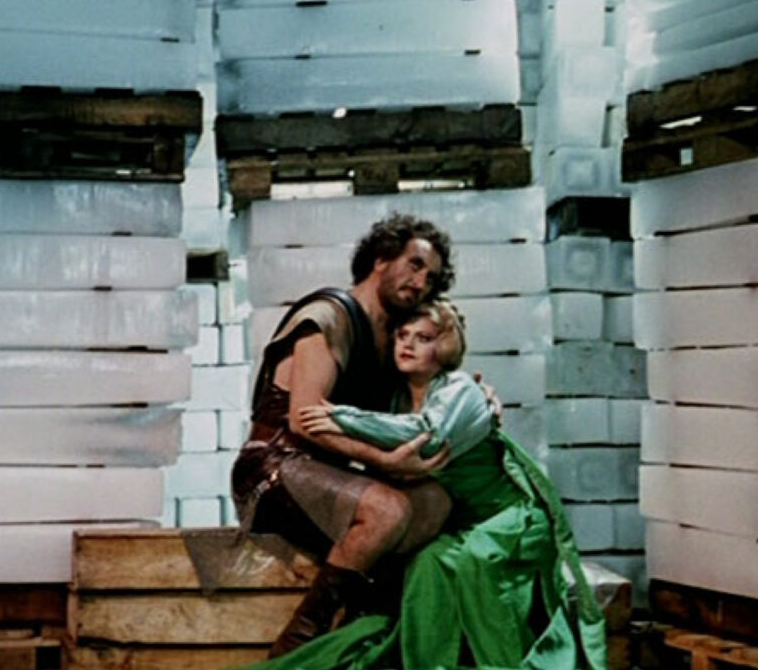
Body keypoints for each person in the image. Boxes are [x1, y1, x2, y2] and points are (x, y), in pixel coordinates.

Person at [244, 299, 607, 670]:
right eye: (403, 335)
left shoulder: (462, 390)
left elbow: (425, 435)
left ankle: (500, 661)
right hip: (459, 521)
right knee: (426, 565)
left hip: (507, 516)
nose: (408, 344)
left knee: (476, 561)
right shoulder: (395, 399)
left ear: (445, 346)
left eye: (424, 338)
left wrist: (342, 418)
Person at [231, 214, 460, 658]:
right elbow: (304, 421)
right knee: (388, 510)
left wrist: (474, 396)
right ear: (381, 259)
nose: (420, 282)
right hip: (271, 468)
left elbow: (426, 389)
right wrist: (385, 462)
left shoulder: (392, 337)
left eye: (430, 278)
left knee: (437, 501)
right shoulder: (328, 317)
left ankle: (361, 623)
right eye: (414, 265)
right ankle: (298, 642)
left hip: (329, 474)